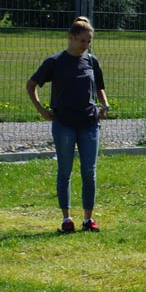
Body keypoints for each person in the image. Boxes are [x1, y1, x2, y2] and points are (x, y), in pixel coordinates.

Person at [27, 16, 110, 233]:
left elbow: (99, 87)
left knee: (89, 171)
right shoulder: (55, 62)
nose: (86, 45)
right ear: (71, 38)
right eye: (83, 41)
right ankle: (66, 219)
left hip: (89, 123)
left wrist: (105, 105)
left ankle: (88, 219)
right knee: (65, 171)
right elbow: (31, 85)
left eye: (89, 41)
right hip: (64, 124)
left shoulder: (91, 61)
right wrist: (42, 110)